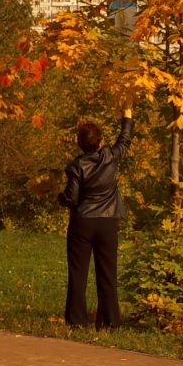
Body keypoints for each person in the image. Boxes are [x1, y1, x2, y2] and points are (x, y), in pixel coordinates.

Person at [58, 108, 133, 330]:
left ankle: (77, 322)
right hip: (107, 222)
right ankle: (110, 323)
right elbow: (125, 140)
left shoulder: (76, 166)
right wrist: (127, 117)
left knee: (78, 273)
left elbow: (71, 199)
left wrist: (58, 197)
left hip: (82, 222)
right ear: (100, 142)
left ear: (79, 143)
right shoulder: (111, 157)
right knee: (108, 273)